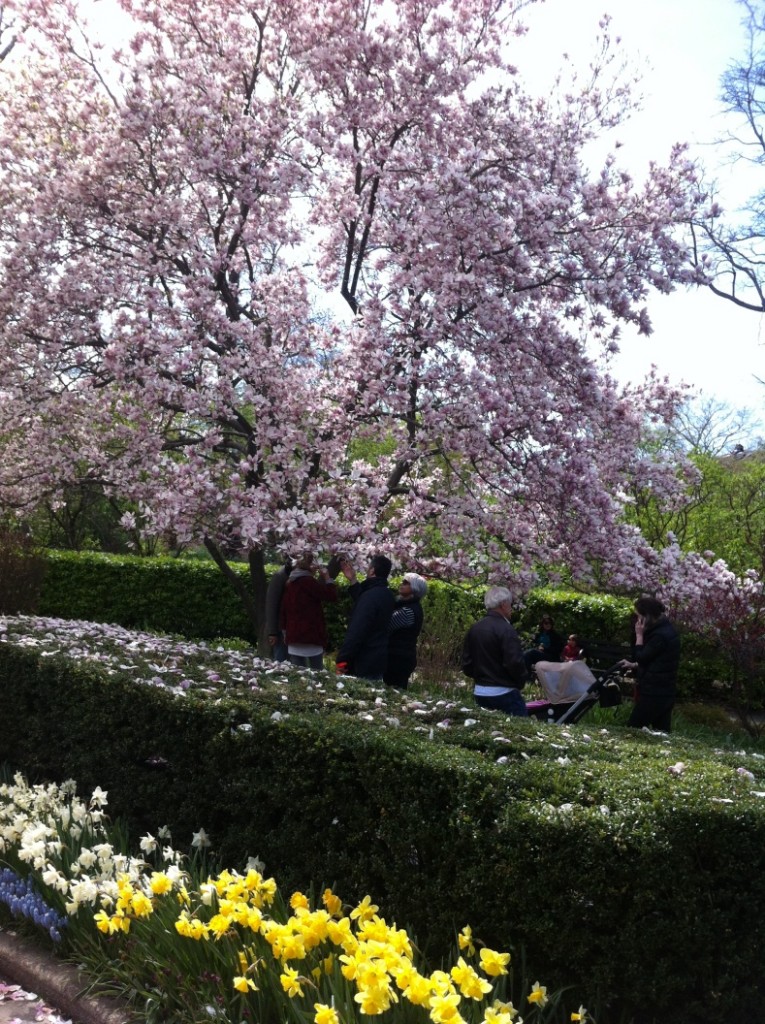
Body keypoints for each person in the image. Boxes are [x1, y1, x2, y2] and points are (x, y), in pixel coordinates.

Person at [462, 586, 528, 717]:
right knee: (520, 732)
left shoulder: (475, 628)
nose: (511, 609)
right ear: (503, 605)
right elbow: (514, 662)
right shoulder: (506, 629)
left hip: (480, 691)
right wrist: (521, 681)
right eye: (510, 604)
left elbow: (467, 663)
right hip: (504, 691)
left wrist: (479, 677)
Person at [620, 596, 680, 733]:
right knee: (661, 732)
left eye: (639, 616)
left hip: (654, 690)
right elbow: (657, 660)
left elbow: (641, 657)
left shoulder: (660, 636)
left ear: (647, 616)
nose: (637, 620)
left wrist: (639, 636)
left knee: (633, 729)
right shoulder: (666, 630)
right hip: (664, 690)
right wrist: (633, 665)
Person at [335, 555, 396, 681]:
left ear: (372, 570)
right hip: (378, 659)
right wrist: (353, 580)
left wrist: (343, 659)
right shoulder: (387, 595)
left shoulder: (370, 596)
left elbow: (357, 629)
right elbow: (366, 603)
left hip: (362, 661)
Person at [279, 554, 338, 669]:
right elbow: (331, 596)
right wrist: (327, 578)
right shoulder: (309, 582)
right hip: (311, 637)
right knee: (317, 674)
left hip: (294, 637)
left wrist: (285, 631)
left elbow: (284, 610)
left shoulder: (290, 583)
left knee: (299, 675)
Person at [384, 572, 428, 690]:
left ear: (414, 588)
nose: (401, 584)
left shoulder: (407, 611)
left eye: (406, 583)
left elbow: (385, 625)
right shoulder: (408, 606)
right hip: (400, 657)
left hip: (397, 659)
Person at [265, 558, 292, 661]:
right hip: (280, 629)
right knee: (281, 660)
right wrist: (272, 632)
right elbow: (272, 604)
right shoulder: (280, 576)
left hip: (289, 627)